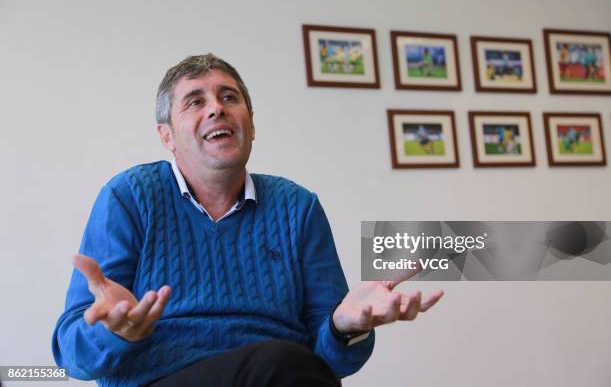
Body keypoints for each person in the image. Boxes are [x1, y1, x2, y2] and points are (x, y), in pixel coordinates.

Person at [52, 54, 444, 387]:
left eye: (229, 97)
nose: (216, 108)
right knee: (284, 364)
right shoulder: (130, 196)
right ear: (167, 136)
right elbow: (71, 353)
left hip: (282, 375)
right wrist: (115, 332)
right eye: (194, 101)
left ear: (251, 125)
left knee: (291, 366)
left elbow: (335, 360)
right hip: (164, 377)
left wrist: (345, 328)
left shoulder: (298, 206)